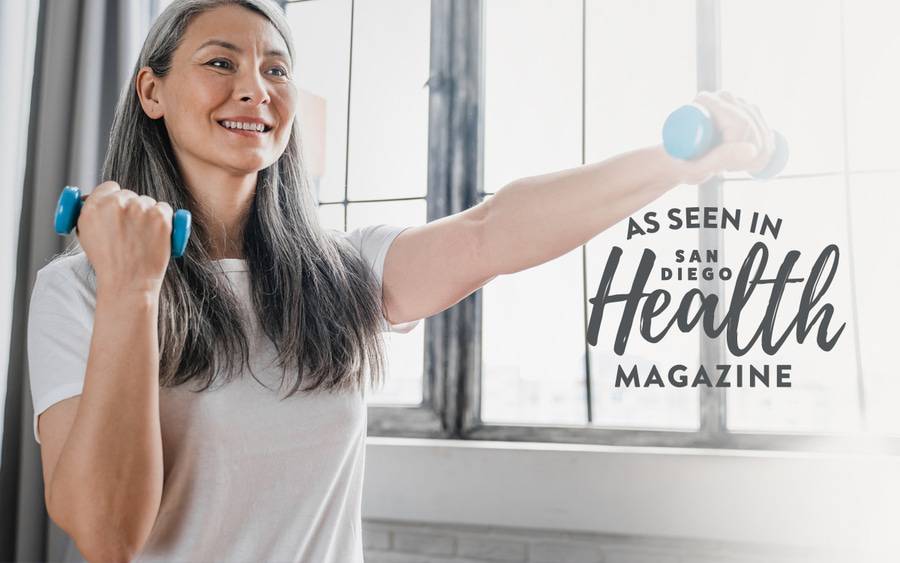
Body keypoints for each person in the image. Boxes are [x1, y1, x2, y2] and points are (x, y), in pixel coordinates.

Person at [26, 0, 776, 561]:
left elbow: (492, 232)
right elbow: (106, 531)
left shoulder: (340, 272)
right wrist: (134, 287)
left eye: (276, 68)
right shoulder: (81, 291)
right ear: (151, 92)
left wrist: (676, 165)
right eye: (221, 62)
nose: (255, 88)